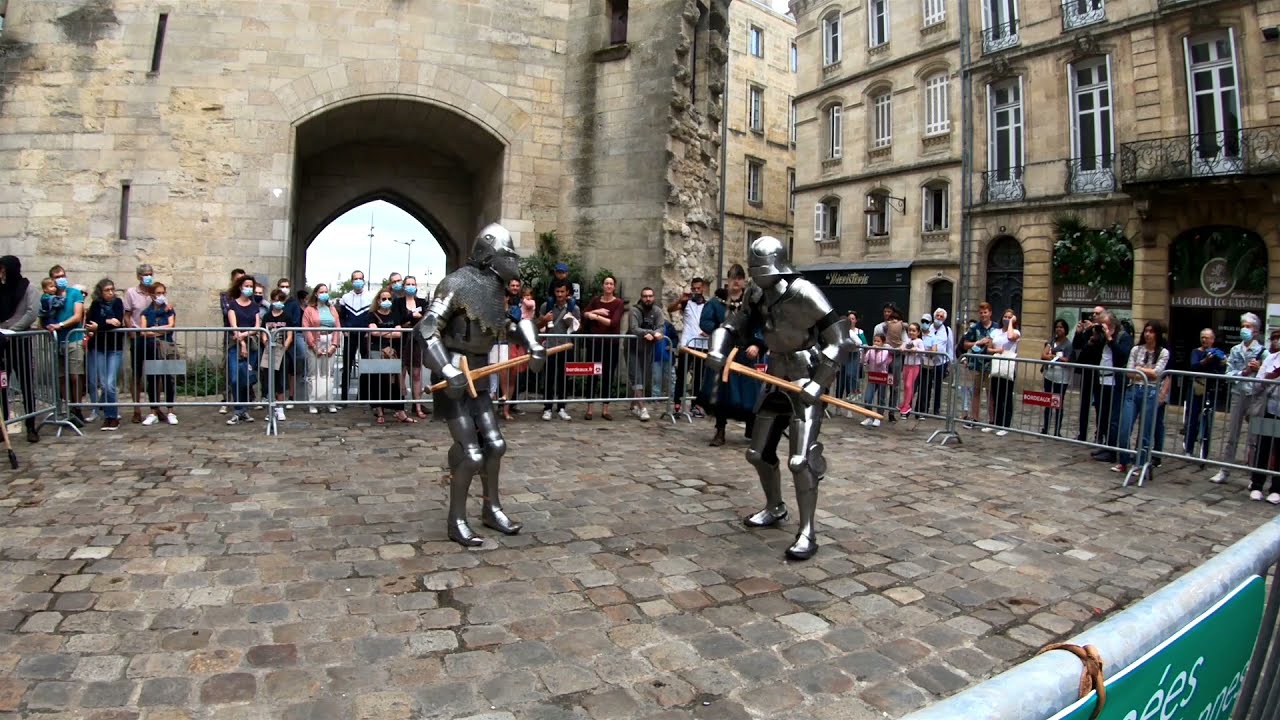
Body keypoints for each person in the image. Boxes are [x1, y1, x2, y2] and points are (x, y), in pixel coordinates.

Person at [706, 236, 853, 560]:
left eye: (763, 269)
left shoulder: (805, 293)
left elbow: (841, 340)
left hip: (805, 375)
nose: (758, 277)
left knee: (800, 461)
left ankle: (808, 531)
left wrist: (818, 383)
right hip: (774, 375)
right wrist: (718, 348)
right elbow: (734, 323)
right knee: (758, 453)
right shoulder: (756, 293)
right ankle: (775, 507)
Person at [418, 223, 548, 546]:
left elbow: (506, 325)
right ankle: (456, 520)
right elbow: (427, 329)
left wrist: (533, 345)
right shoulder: (457, 283)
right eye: (507, 255)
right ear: (490, 255)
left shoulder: (495, 290)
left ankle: (491, 509)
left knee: (495, 445)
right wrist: (447, 368)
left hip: (480, 376)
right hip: (453, 378)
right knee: (471, 453)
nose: (512, 262)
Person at [701, 264, 761, 446]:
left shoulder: (751, 304)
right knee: (720, 394)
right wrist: (721, 332)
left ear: (744, 281)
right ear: (727, 280)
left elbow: (760, 325)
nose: (736, 281)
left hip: (744, 354)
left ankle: (752, 429)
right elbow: (705, 322)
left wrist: (756, 344)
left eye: (739, 277)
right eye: (733, 277)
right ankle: (720, 431)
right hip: (722, 354)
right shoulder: (715, 303)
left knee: (749, 393)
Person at [1211, 313, 1269, 484]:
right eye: (1243, 326)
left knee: (1254, 438)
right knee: (1232, 435)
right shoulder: (1235, 350)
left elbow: (1268, 376)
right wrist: (1243, 373)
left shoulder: (1263, 352)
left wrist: (1259, 369)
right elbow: (1228, 374)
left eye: (1248, 326)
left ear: (1256, 331)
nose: (1245, 329)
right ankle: (1224, 470)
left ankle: (1253, 476)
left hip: (1256, 397)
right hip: (1238, 394)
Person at [1113, 321, 1170, 474]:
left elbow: (1157, 373)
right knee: (1124, 428)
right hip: (1133, 390)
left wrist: (1140, 370)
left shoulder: (1163, 352)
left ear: (1156, 334)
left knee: (1145, 431)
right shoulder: (1136, 350)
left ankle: (1140, 463)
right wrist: (1144, 372)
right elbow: (1130, 372)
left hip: (1151, 392)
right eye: (1146, 331)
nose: (1147, 334)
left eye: (1151, 331)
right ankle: (1123, 461)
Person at [0, 256, 42, 442]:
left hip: (20, 342)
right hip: (2, 343)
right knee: (2, 385)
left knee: (26, 385)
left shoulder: (28, 288)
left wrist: (12, 330)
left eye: (3, 269)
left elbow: (31, 313)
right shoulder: (1, 289)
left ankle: (31, 426)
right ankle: (3, 426)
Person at [46, 265, 87, 426]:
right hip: (57, 341)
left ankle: (76, 407)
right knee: (62, 376)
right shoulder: (48, 296)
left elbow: (77, 316)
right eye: (57, 277)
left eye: (62, 275)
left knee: (75, 376)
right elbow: (44, 316)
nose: (60, 279)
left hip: (73, 338)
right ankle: (67, 407)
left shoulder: (74, 293)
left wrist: (61, 325)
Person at [1090, 312, 1133, 463]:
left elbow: (1122, 356)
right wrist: (1093, 336)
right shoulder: (1101, 336)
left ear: (1112, 324)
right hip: (1102, 380)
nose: (1102, 327)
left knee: (1114, 418)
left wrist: (1109, 338)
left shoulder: (1123, 336)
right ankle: (1107, 445)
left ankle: (1114, 451)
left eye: (1104, 324)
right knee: (1104, 415)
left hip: (1115, 381)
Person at [364, 287, 411, 425]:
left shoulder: (395, 314)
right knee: (378, 382)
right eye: (384, 299)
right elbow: (373, 332)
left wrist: (382, 331)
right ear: (378, 300)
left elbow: (398, 333)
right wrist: (389, 331)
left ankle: (400, 412)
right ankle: (379, 411)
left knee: (395, 382)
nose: (387, 301)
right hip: (376, 350)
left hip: (391, 351)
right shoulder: (372, 314)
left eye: (389, 299)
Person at [84, 278, 126, 430]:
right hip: (98, 347)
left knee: (110, 383)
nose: (110, 293)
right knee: (103, 382)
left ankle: (113, 416)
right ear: (100, 292)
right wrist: (108, 322)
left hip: (114, 347)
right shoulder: (96, 304)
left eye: (112, 289)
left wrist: (100, 325)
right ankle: (107, 416)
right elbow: (90, 323)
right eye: (107, 290)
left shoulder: (118, 303)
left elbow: (119, 321)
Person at [582, 275, 624, 421]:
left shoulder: (618, 303)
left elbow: (613, 322)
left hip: (610, 345)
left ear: (614, 287)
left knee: (607, 376)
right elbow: (585, 314)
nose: (608, 286)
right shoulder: (595, 301)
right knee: (592, 375)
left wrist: (596, 317)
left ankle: (605, 409)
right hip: (595, 344)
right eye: (606, 283)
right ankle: (589, 408)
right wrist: (597, 312)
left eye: (611, 284)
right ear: (603, 286)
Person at [538, 282, 580, 420]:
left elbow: (577, 327)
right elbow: (538, 325)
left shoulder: (574, 308)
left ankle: (561, 407)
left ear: (567, 292)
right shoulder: (546, 306)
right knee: (549, 378)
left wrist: (571, 320)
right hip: (550, 346)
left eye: (562, 292)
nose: (560, 295)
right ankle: (547, 407)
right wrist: (544, 320)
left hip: (565, 345)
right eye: (557, 292)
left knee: (563, 378)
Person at [1247, 326, 1280, 503]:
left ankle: (1277, 488)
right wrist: (1271, 376)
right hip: (1269, 408)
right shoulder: (1271, 359)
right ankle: (1257, 484)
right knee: (1263, 447)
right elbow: (1257, 384)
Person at [668, 276, 709, 417]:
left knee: (698, 376)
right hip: (687, 344)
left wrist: (709, 330)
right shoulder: (686, 303)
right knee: (682, 374)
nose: (696, 291)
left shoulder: (708, 305)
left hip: (702, 344)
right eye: (694, 289)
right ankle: (677, 404)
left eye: (699, 288)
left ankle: (695, 405)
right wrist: (681, 298)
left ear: (703, 288)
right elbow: (670, 309)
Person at [139, 283, 179, 426]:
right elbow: (143, 331)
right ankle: (154, 411)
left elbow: (170, 327)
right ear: (151, 295)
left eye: (163, 292)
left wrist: (154, 330)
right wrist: (158, 330)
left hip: (167, 347)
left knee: (169, 379)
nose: (161, 296)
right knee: (153, 380)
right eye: (157, 293)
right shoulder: (146, 312)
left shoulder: (169, 310)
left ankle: (171, 411)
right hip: (151, 347)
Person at [225, 274, 261, 425]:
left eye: (251, 286)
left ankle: (243, 410)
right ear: (240, 287)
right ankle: (237, 409)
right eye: (246, 286)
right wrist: (242, 343)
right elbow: (234, 328)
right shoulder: (233, 305)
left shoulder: (254, 306)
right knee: (234, 378)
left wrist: (246, 335)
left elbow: (257, 327)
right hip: (235, 346)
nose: (249, 289)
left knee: (246, 379)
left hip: (251, 345)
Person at [1184, 329, 1226, 459]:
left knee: (1207, 421)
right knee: (1192, 419)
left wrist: (1222, 362)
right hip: (1197, 387)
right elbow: (1194, 366)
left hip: (1210, 389)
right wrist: (1205, 361)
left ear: (1212, 339)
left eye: (1207, 338)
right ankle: (1189, 449)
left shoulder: (1217, 353)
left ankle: (1204, 453)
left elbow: (1221, 370)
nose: (1204, 340)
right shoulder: (1196, 352)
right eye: (1202, 337)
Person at [122, 264, 155, 424]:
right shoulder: (131, 293)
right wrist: (131, 332)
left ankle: (154, 409)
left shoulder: (155, 292)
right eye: (145, 274)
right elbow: (127, 315)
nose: (148, 277)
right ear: (139, 276)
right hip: (138, 336)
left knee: (155, 373)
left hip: (153, 337)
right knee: (137, 373)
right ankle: (137, 409)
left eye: (150, 274)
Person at [301, 284, 342, 414]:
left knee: (328, 374)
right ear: (316, 294)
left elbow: (337, 327)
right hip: (316, 342)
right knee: (314, 374)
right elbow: (306, 328)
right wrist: (313, 346)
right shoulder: (309, 309)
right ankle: (313, 402)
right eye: (321, 291)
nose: (324, 294)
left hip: (329, 341)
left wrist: (334, 345)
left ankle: (329, 401)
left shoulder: (332, 308)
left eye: (326, 291)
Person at [394, 275, 429, 419]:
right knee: (400, 373)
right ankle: (400, 407)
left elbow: (426, 318)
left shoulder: (422, 301)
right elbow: (398, 319)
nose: (410, 286)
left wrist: (414, 318)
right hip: (402, 341)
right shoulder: (398, 302)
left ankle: (418, 406)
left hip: (416, 341)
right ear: (404, 286)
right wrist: (411, 317)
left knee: (416, 373)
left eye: (413, 283)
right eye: (408, 283)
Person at [627, 287, 664, 421]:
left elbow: (661, 326)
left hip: (648, 349)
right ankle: (642, 408)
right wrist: (647, 333)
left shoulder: (657, 311)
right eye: (645, 296)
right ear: (641, 297)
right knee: (636, 377)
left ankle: (633, 405)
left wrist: (657, 333)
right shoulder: (634, 310)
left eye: (650, 296)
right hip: (633, 347)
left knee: (643, 377)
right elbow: (634, 328)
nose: (648, 299)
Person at [960, 302, 997, 427]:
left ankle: (992, 420)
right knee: (976, 391)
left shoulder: (996, 328)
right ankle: (975, 418)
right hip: (977, 364)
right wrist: (978, 342)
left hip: (991, 365)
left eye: (985, 312)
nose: (983, 315)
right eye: (981, 313)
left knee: (990, 393)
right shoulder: (975, 328)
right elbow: (965, 344)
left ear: (990, 313)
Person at [338, 270, 373, 403]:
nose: (358, 281)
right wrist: (344, 330)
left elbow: (372, 316)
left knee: (365, 366)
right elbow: (341, 316)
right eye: (355, 278)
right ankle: (344, 399)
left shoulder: (370, 297)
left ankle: (363, 397)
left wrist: (369, 331)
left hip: (365, 336)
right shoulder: (345, 297)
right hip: (350, 335)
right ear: (352, 281)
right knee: (347, 366)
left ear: (364, 280)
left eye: (360, 278)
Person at [261, 290, 294, 421]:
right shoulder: (267, 317)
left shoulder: (287, 317)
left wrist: (283, 348)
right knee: (269, 380)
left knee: (281, 380)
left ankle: (280, 407)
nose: (278, 303)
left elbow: (290, 335)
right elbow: (263, 333)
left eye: (281, 300)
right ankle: (271, 408)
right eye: (275, 300)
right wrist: (266, 344)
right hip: (269, 352)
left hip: (282, 352)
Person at [986, 311, 1021, 436]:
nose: (1007, 319)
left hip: (1008, 367)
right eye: (1005, 317)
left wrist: (1011, 323)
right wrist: (997, 350)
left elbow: (1010, 337)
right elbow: (989, 348)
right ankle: (996, 422)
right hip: (997, 364)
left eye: (1010, 317)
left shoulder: (1016, 332)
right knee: (996, 395)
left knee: (1006, 397)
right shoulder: (995, 332)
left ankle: (1006, 425)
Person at [1041, 319, 1072, 437]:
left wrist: (1053, 356)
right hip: (1049, 375)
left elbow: (1067, 359)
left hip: (1061, 377)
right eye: (1057, 327)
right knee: (1048, 401)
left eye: (1061, 327)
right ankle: (1045, 427)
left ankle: (1057, 430)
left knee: (1058, 402)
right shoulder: (1052, 341)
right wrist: (1054, 356)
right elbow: (1043, 355)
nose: (1059, 329)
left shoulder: (1068, 344)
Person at [860, 333, 891, 427]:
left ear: (883, 342)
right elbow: (864, 360)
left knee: (881, 397)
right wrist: (866, 352)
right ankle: (869, 417)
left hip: (882, 376)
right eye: (875, 341)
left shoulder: (885, 351)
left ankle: (878, 417)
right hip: (872, 376)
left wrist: (876, 350)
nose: (876, 343)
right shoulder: (871, 350)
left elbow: (879, 361)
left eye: (878, 341)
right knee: (868, 397)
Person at [899, 322, 926, 418]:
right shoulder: (907, 341)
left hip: (915, 366)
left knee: (909, 385)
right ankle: (904, 403)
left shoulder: (919, 341)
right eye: (910, 330)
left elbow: (923, 353)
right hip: (906, 365)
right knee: (905, 386)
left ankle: (907, 405)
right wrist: (902, 348)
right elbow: (903, 347)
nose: (911, 332)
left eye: (914, 330)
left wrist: (917, 349)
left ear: (918, 332)